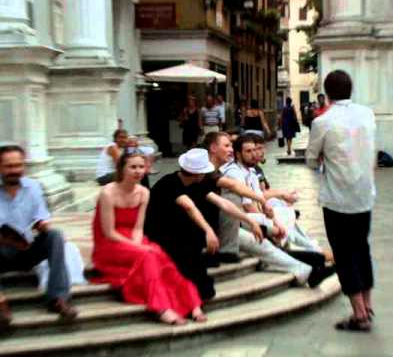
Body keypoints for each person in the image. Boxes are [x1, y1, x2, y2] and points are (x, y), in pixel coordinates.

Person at [91, 150, 205, 325]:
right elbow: (108, 232)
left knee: (161, 258)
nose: (138, 171)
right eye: (133, 167)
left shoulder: (144, 192)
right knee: (148, 255)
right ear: (122, 169)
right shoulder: (108, 193)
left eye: (141, 167)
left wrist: (137, 244)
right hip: (110, 244)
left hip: (133, 239)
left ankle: (192, 303)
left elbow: (138, 227)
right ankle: (161, 308)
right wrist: (137, 248)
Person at [205, 133, 333, 288]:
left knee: (266, 243)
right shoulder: (208, 171)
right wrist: (254, 218)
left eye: (230, 146)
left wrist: (263, 212)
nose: (230, 150)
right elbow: (233, 193)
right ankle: (314, 256)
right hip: (219, 231)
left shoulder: (219, 170)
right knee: (270, 228)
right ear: (213, 148)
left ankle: (307, 271)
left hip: (229, 228)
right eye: (226, 146)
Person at [306, 70, 376, 332]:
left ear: (328, 92)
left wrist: (324, 159)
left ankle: (359, 314)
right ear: (350, 89)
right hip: (364, 194)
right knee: (361, 248)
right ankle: (367, 305)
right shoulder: (367, 114)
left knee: (344, 254)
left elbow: (312, 159)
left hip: (338, 198)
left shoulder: (323, 121)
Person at [144, 148, 263, 300]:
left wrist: (249, 220)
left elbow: (223, 203)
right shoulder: (169, 182)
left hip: (182, 232)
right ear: (198, 173)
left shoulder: (198, 183)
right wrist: (208, 231)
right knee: (193, 272)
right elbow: (188, 206)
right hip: (161, 233)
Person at [0, 145, 78, 325]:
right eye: (9, 166)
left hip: (26, 250)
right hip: (1, 253)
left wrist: (42, 225)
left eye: (18, 165)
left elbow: (41, 217)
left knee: (55, 236)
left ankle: (58, 299)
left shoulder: (34, 187)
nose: (15, 170)